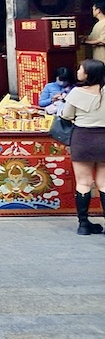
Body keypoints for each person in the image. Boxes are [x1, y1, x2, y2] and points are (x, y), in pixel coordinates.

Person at [60, 58, 105, 235]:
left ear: (88, 74)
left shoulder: (76, 93)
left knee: (84, 182)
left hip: (83, 139)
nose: (78, 71)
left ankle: (84, 224)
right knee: (104, 183)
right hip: (103, 139)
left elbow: (66, 115)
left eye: (81, 69)